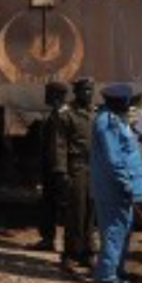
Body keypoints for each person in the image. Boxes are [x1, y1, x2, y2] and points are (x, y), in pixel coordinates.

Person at [89, 83, 142, 283]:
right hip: (114, 187)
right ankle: (106, 275)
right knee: (114, 230)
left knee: (124, 228)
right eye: (126, 102)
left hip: (121, 187)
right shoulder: (107, 123)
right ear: (119, 102)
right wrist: (125, 183)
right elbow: (113, 160)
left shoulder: (116, 119)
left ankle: (117, 270)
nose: (128, 105)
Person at [54, 77, 96, 273]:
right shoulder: (66, 114)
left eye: (90, 90)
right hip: (75, 166)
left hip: (94, 167)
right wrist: (61, 170)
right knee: (75, 212)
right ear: (76, 92)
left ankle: (88, 252)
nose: (88, 93)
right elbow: (59, 144)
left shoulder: (95, 113)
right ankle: (70, 254)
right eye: (84, 90)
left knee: (91, 212)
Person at [29, 81, 69, 251]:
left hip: (62, 169)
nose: (45, 96)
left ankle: (70, 244)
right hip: (50, 167)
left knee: (66, 207)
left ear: (56, 95)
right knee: (47, 204)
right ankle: (47, 239)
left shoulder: (67, 116)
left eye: (48, 93)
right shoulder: (52, 115)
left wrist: (63, 169)